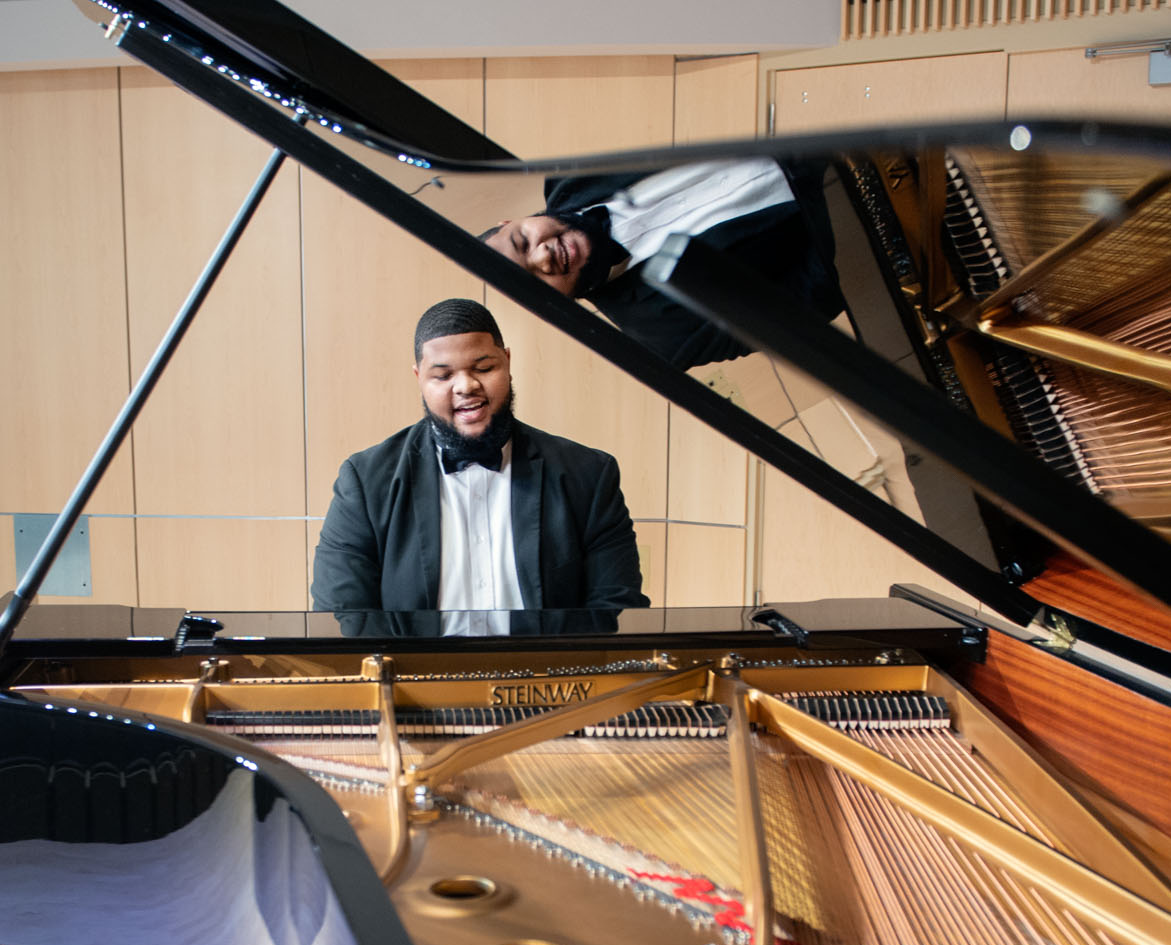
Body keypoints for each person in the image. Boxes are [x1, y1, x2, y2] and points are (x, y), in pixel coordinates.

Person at [310, 298, 648, 616]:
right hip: (415, 679)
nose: (466, 386)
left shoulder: (589, 475)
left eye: (484, 368)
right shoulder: (365, 481)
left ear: (508, 363)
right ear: (419, 379)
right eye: (443, 375)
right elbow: (342, 617)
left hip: (548, 677)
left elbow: (617, 609)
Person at [481, 156, 843, 370]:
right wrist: (841, 192)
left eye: (522, 241)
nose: (543, 256)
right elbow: (808, 303)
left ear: (508, 222)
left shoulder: (576, 160)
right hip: (859, 202)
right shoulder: (666, 337)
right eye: (534, 279)